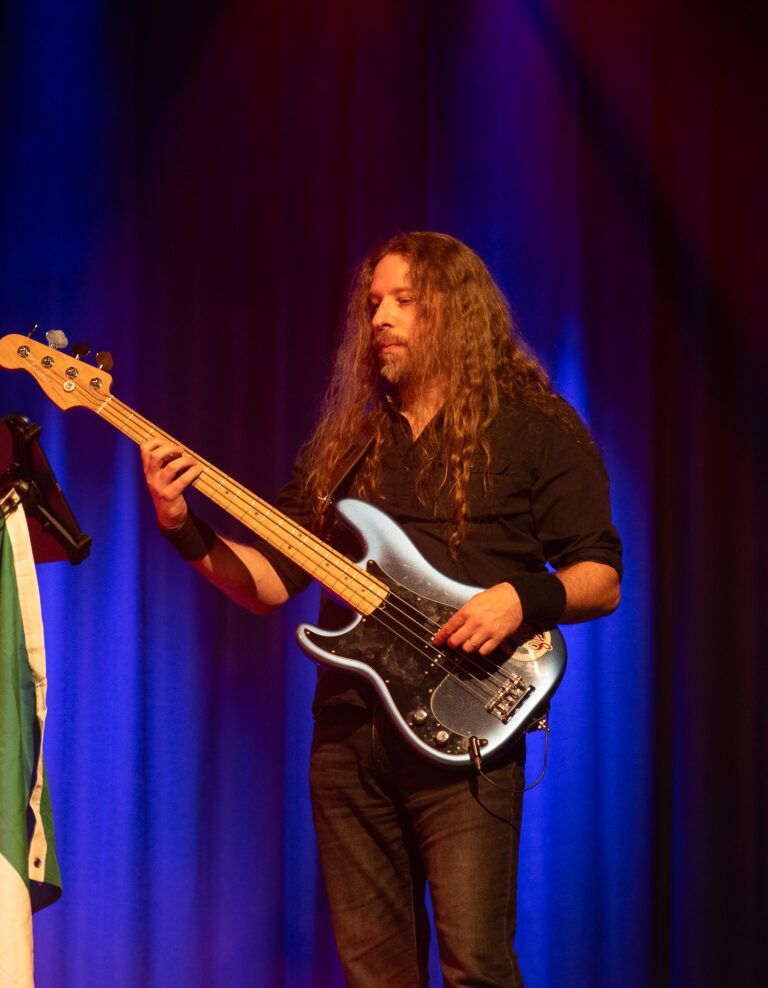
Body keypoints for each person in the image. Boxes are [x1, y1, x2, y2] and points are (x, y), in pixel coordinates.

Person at [139, 232, 622, 987]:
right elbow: (269, 584)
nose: (380, 319)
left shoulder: (536, 425)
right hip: (347, 738)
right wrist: (182, 527)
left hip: (466, 728)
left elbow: (601, 577)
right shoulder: (349, 442)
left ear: (455, 311)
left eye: (404, 301)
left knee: (477, 968)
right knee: (375, 976)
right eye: (373, 304)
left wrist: (519, 597)